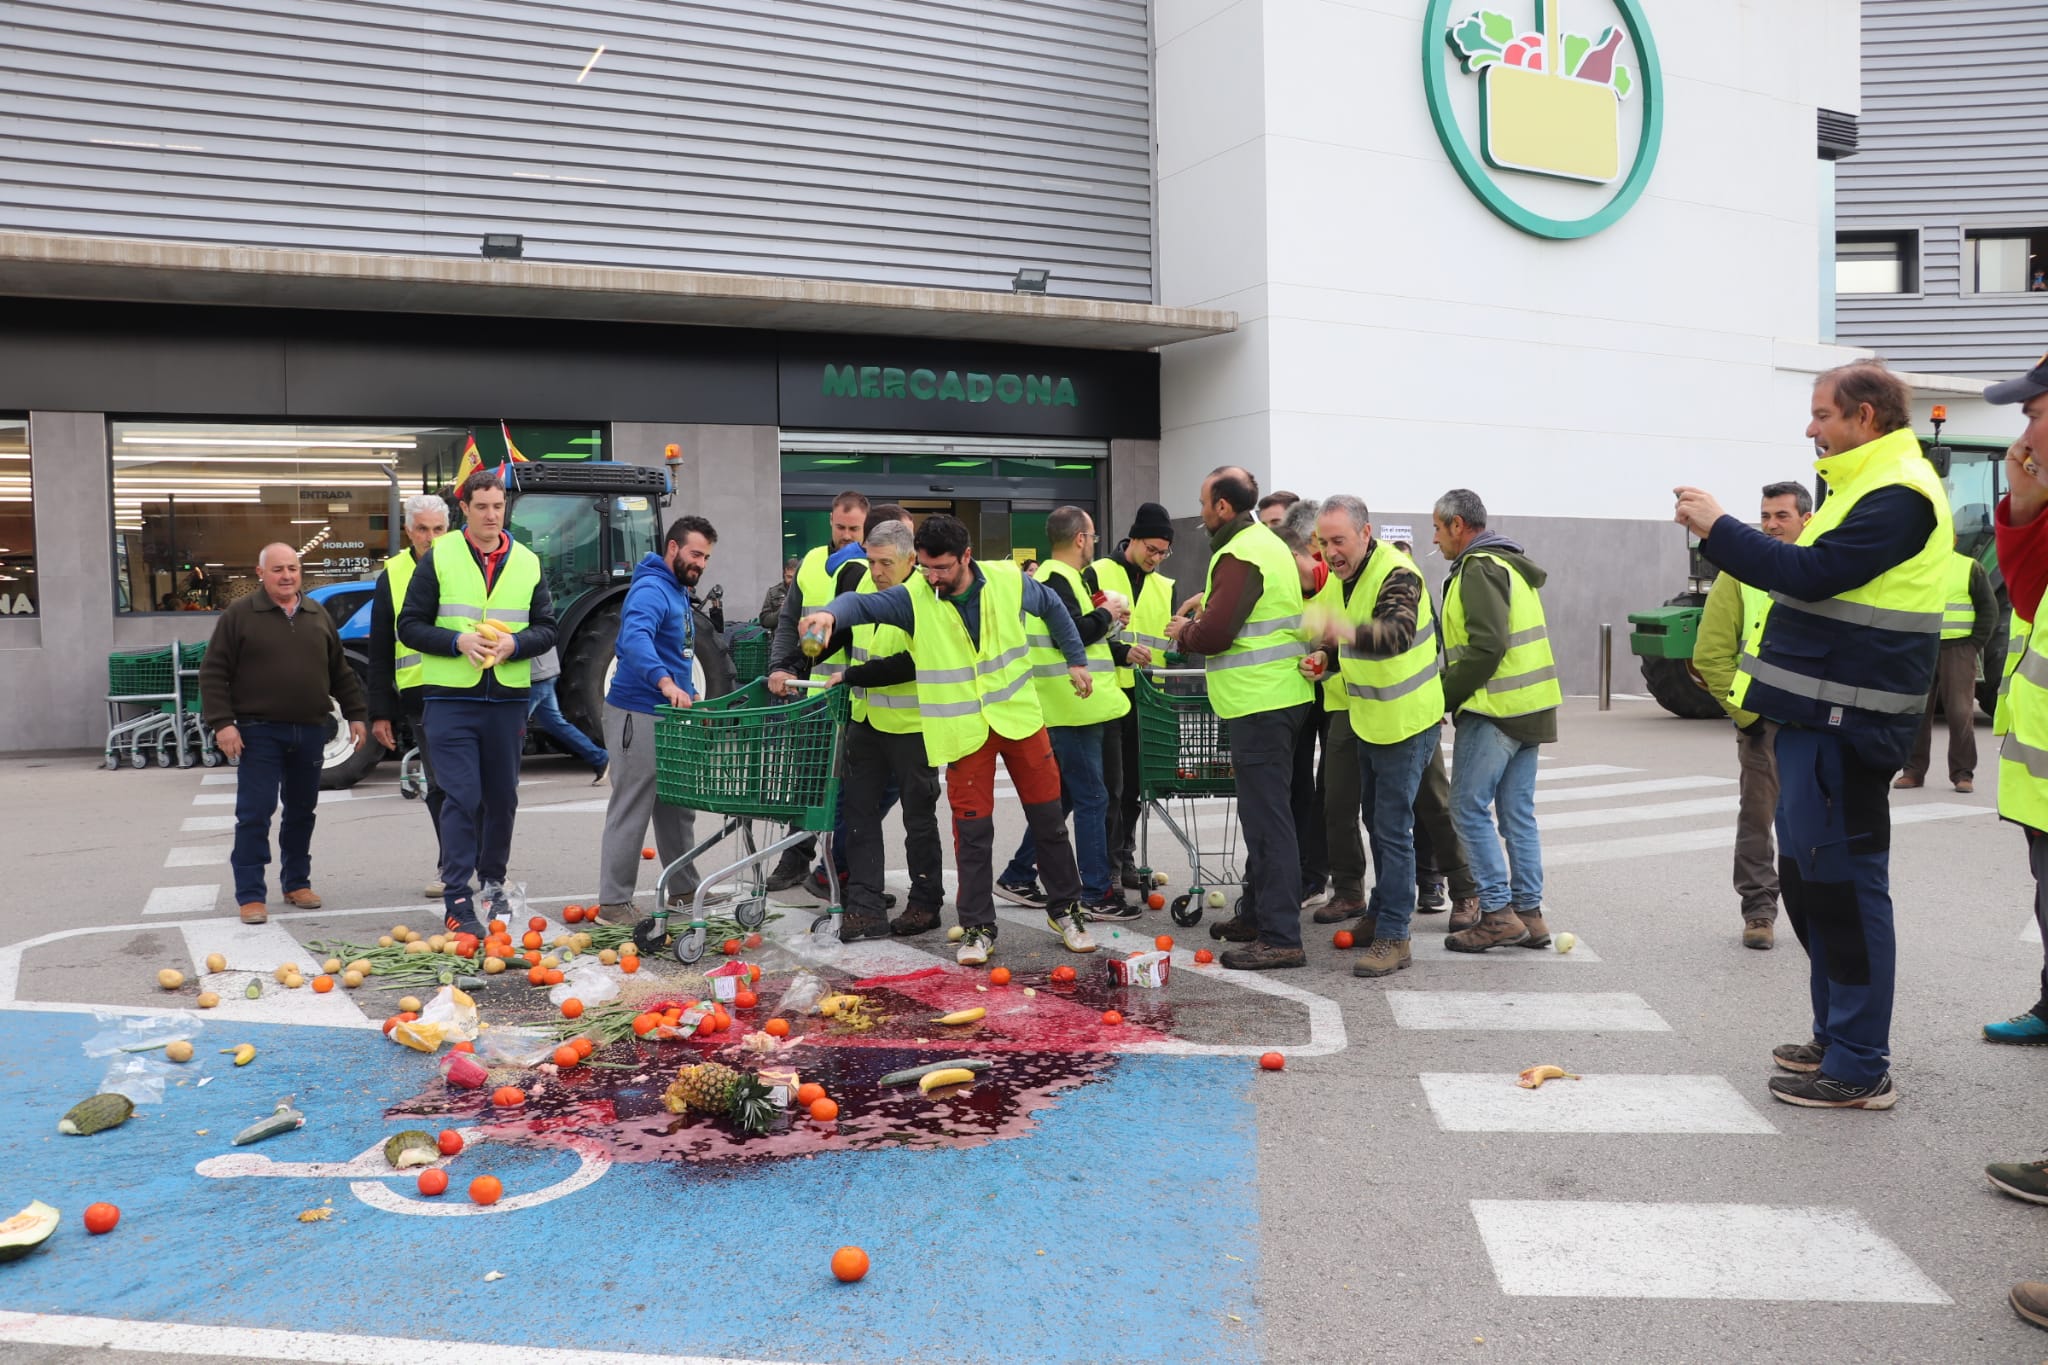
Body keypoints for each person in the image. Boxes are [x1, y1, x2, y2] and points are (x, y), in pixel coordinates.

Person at [1675, 358, 1952, 1111]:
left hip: (1848, 726)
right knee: (1810, 884)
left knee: (1847, 889)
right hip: (1813, 721)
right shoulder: (1861, 486)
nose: (1810, 427)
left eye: (1822, 413)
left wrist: (1719, 528)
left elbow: (1811, 573)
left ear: (1866, 418)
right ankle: (1836, 1036)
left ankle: (1862, 1063)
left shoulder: (1900, 493)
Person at [798, 514, 1099, 964]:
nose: (932, 577)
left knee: (1049, 822)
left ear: (966, 557)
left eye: (941, 568)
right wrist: (829, 612)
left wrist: (1076, 658)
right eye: (925, 567)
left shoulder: (1007, 580)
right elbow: (863, 608)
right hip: (965, 731)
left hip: (1019, 719)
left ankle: (1067, 910)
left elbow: (1053, 606)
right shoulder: (916, 596)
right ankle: (978, 927)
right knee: (972, 833)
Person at [398, 470, 560, 939]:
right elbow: (409, 626)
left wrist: (516, 645)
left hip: (507, 700)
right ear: (463, 509)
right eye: (482, 506)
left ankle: (492, 883)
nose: (492, 515)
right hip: (450, 699)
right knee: (461, 796)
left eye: (498, 505)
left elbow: (547, 627)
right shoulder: (440, 557)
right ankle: (456, 898)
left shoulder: (527, 561)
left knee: (502, 798)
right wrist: (457, 641)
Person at [1171, 466, 1313, 971]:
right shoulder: (1266, 541)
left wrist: (1185, 630)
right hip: (1280, 698)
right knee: (1270, 815)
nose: (1202, 513)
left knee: (1267, 822)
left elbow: (1216, 636)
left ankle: (1279, 935)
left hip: (1261, 703)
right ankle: (1257, 914)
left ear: (1223, 508)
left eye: (1205, 503)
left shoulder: (1240, 552)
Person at [1304, 495, 1447, 978]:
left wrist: (1339, 630)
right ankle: (1382, 915)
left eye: (1339, 540)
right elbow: (1349, 645)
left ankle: (1394, 936)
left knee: (1391, 829)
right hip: (1372, 719)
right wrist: (1326, 661)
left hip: (1406, 722)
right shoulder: (1347, 578)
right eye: (1324, 543)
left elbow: (1396, 633)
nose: (1331, 552)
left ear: (1366, 534)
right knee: (1377, 822)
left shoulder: (1398, 573)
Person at [200, 543, 367, 925]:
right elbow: (213, 673)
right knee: (255, 813)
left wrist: (356, 714)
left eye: (293, 568)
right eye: (278, 569)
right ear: (261, 573)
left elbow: (339, 670)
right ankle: (250, 895)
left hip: (310, 730)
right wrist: (223, 723)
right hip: (258, 731)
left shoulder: (315, 613)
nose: (287, 575)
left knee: (301, 812)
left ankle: (296, 883)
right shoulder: (240, 615)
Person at [1432, 489, 1562, 955]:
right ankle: (1529, 913)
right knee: (1516, 815)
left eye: (1438, 527)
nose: (1435, 537)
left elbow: (1486, 647)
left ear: (1458, 526)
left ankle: (1497, 915)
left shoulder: (1478, 568)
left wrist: (1441, 697)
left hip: (1496, 710)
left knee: (1467, 807)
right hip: (1531, 707)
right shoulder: (1509, 564)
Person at [1692, 481, 1813, 950]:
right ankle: (1759, 911)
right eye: (1765, 516)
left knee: (1812, 825)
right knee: (1757, 820)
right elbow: (1711, 654)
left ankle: (1816, 910)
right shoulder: (1739, 573)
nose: (1771, 525)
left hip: (1814, 721)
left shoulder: (1826, 568)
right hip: (1764, 722)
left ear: (1806, 517)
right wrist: (1747, 716)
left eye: (1781, 516)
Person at [998, 507, 1134, 919]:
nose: (1093, 543)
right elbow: (1070, 635)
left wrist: (1113, 634)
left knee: (1068, 796)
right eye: (1091, 536)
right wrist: (1107, 616)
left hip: (1069, 703)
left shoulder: (1057, 578)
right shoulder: (1058, 578)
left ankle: (1018, 874)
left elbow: (1079, 634)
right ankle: (1096, 892)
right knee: (1092, 797)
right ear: (1080, 538)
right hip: (1073, 705)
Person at [824, 517, 946, 940]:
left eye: (885, 564)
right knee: (859, 815)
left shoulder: (926, 597)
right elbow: (846, 637)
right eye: (872, 562)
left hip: (913, 726)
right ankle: (864, 908)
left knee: (919, 818)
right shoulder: (864, 589)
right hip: (867, 721)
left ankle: (925, 903)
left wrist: (855, 677)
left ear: (911, 560)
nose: (876, 572)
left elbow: (912, 662)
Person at [592, 516, 718, 923]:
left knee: (676, 806)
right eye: (695, 553)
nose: (700, 563)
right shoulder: (650, 588)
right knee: (632, 805)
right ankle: (613, 903)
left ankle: (683, 890)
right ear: (673, 548)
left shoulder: (677, 590)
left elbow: (673, 650)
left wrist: (689, 690)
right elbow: (634, 639)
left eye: (706, 557)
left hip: (666, 713)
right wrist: (665, 683)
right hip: (638, 712)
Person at [764, 491, 872, 891]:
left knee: (849, 790)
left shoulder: (867, 566)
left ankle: (838, 867)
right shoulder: (811, 561)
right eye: (841, 528)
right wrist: (780, 667)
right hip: (813, 693)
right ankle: (798, 857)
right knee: (808, 780)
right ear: (831, 521)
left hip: (855, 693)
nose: (846, 536)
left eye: (855, 529)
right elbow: (789, 619)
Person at [367, 493, 451, 898]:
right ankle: (450, 863)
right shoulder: (393, 575)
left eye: (438, 529)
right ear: (408, 532)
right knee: (438, 784)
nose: (430, 537)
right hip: (421, 696)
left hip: (466, 689)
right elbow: (380, 647)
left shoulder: (464, 564)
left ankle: (486, 863)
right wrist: (380, 711)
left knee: (479, 785)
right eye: (422, 529)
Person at [1092, 503, 1177, 889]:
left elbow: (1168, 646)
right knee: (1111, 786)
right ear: (1135, 538)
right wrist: (1121, 654)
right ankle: (1106, 861)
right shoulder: (1098, 573)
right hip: (1107, 694)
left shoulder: (1165, 586)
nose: (1156, 559)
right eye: (1152, 550)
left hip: (1147, 698)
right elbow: (1086, 634)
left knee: (1136, 785)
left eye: (1163, 552)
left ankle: (1124, 855)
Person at [1896, 540, 1994, 791]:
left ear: (1953, 539)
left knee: (1960, 712)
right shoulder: (1915, 567)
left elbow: (1989, 609)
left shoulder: (1969, 567)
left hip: (1958, 648)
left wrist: (1973, 644)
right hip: (1921, 647)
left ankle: (1963, 774)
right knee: (1916, 711)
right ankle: (1913, 771)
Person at [526, 647, 610, 780]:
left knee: (512, 730)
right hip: (544, 672)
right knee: (555, 723)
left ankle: (503, 778)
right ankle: (600, 758)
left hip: (534, 674)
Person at [757, 556, 799, 630]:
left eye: (794, 577)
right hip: (780, 637)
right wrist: (781, 611)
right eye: (789, 577)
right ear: (784, 574)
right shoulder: (773, 592)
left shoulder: (806, 592)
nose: (792, 581)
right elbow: (764, 621)